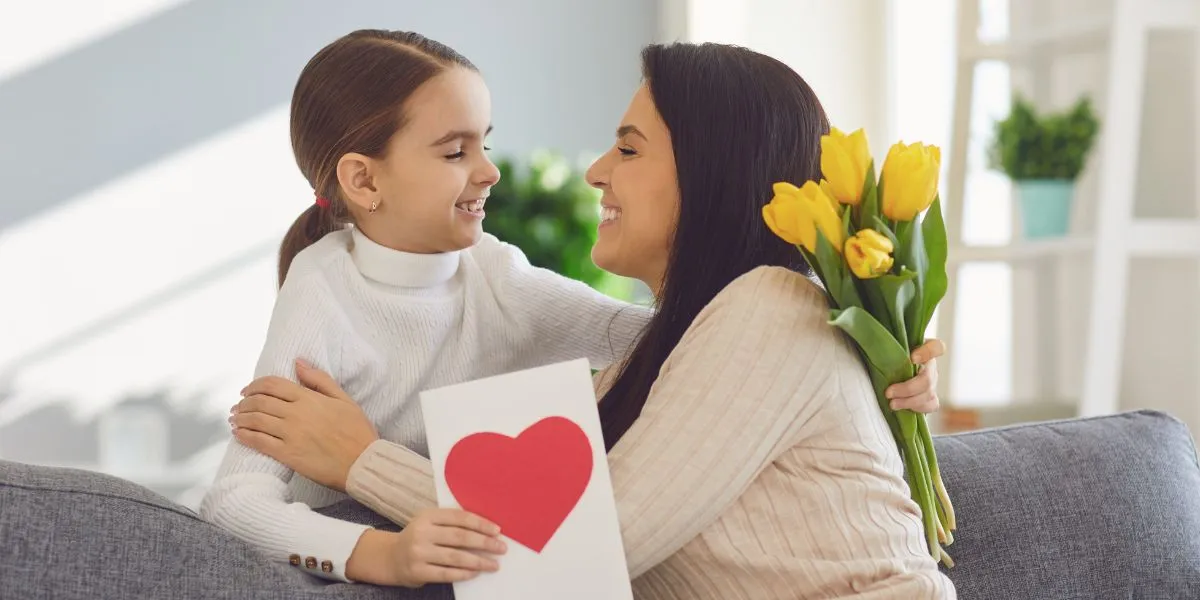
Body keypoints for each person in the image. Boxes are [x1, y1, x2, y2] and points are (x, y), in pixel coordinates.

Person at [230, 41, 957, 599]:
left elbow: (592, 546)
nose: (596, 170)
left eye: (630, 147)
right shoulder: (673, 360)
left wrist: (362, 462)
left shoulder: (773, 305)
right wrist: (875, 350)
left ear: (709, 171)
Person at [197, 29, 658, 588]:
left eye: (485, 143)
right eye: (456, 151)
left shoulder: (497, 274)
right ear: (363, 179)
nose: (490, 172)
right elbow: (233, 502)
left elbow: (664, 339)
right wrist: (384, 556)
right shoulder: (321, 290)